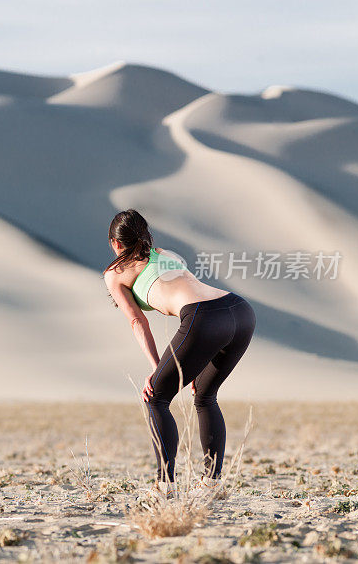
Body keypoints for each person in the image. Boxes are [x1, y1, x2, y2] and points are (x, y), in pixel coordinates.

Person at [102, 209, 256, 495]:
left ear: (116, 244)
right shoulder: (165, 253)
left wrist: (156, 366)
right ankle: (211, 484)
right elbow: (192, 291)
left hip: (204, 318)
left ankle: (165, 485)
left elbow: (137, 321)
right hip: (239, 311)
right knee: (205, 395)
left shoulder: (115, 273)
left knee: (156, 397)